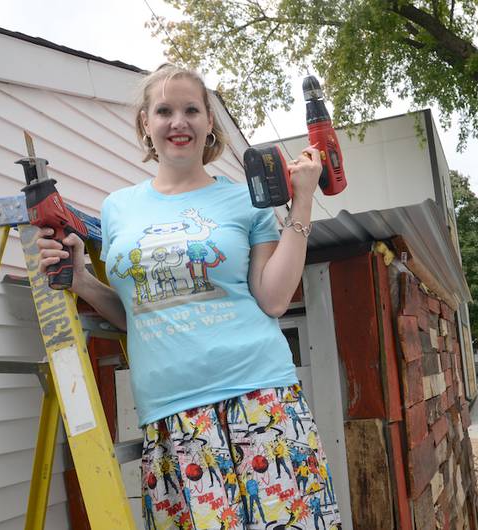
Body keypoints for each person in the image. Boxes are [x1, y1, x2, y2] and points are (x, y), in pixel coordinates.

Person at [37, 64, 342, 530]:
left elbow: (274, 299)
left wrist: (301, 202)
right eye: (164, 111)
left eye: (191, 110)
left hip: (260, 398)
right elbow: (136, 313)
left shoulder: (246, 200)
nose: (178, 122)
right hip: (172, 418)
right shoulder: (118, 208)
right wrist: (81, 280)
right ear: (146, 123)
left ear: (209, 122)